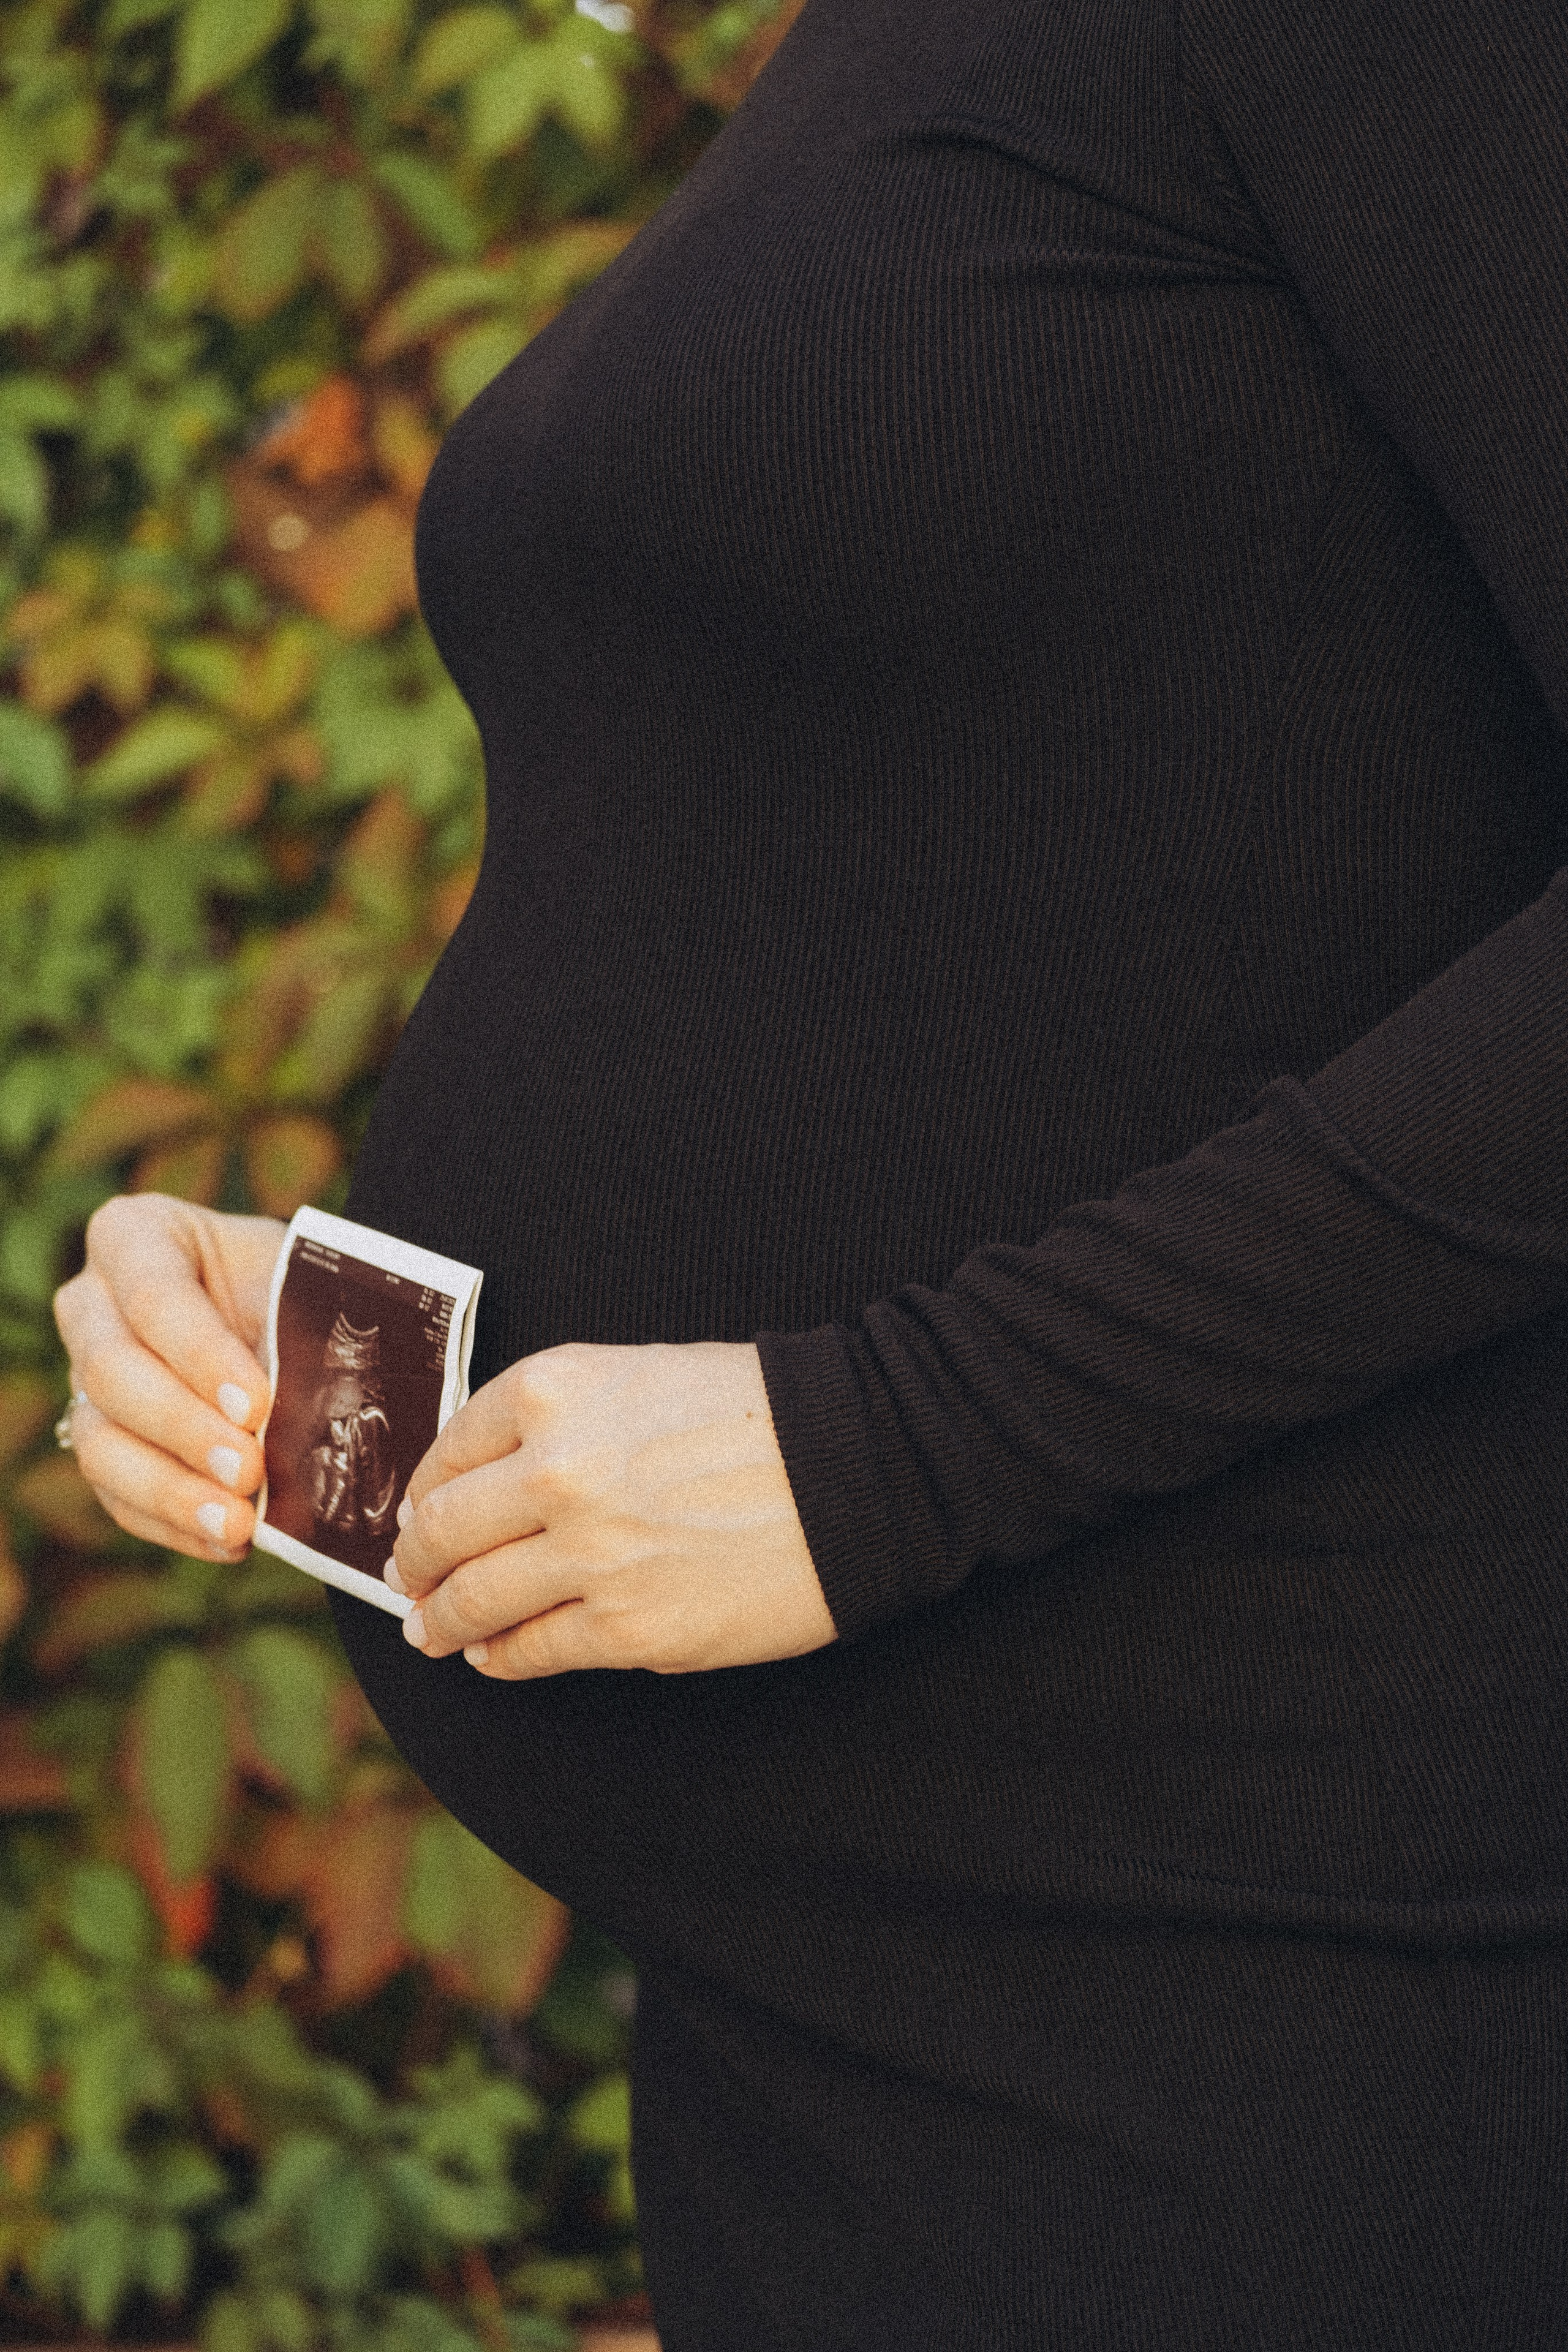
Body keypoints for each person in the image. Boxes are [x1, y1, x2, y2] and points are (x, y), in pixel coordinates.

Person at [51, 0, 1568, 2340]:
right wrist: (327, 1329)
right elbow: (929, 921)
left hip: (1272, 2007)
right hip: (851, 2022)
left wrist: (888, 1454)